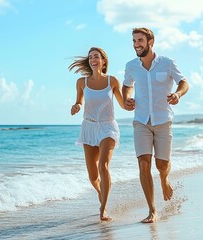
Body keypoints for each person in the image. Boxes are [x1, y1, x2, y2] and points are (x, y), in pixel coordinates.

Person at [122, 27, 190, 223]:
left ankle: (164, 178)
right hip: (141, 120)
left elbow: (184, 82)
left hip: (163, 120)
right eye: (134, 41)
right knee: (143, 164)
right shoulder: (131, 66)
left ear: (151, 42)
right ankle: (152, 210)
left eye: (140, 40)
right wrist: (127, 98)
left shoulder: (167, 63)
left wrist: (177, 94)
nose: (136, 44)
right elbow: (127, 86)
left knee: (162, 165)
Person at [69, 47, 124, 221]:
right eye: (91, 57)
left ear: (103, 61)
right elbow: (79, 101)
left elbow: (123, 104)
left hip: (108, 127)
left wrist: (133, 103)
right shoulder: (81, 82)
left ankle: (103, 208)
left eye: (96, 57)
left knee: (104, 166)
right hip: (89, 127)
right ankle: (102, 193)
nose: (93, 59)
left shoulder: (112, 81)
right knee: (93, 176)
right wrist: (76, 106)